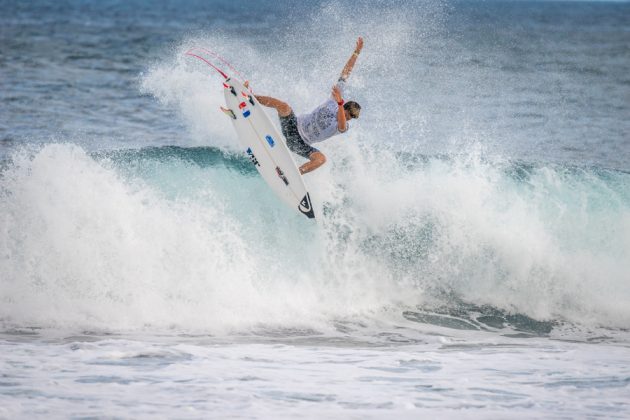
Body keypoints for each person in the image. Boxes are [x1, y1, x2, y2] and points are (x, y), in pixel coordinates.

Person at [254, 37, 363, 175]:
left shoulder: (343, 126)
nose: (348, 119)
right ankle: (250, 97)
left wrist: (340, 103)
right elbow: (345, 73)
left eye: (351, 118)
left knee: (321, 159)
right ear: (345, 109)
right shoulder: (334, 101)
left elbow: (342, 123)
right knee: (283, 106)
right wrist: (356, 53)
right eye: (348, 115)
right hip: (293, 126)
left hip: (300, 144)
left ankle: (292, 174)